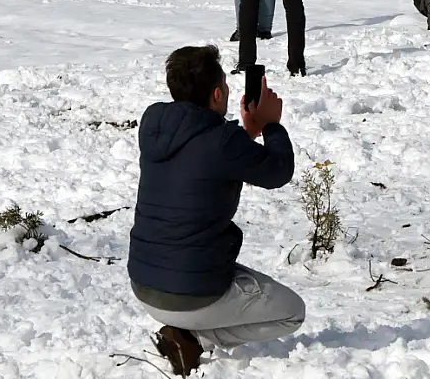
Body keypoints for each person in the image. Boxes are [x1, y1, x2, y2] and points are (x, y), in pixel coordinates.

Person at [128, 45, 304, 376]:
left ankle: (184, 331)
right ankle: (195, 338)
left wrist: (245, 133)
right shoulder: (223, 142)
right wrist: (270, 126)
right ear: (217, 92)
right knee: (292, 312)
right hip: (192, 293)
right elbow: (278, 171)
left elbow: (203, 155)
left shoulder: (153, 122)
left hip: (143, 284)